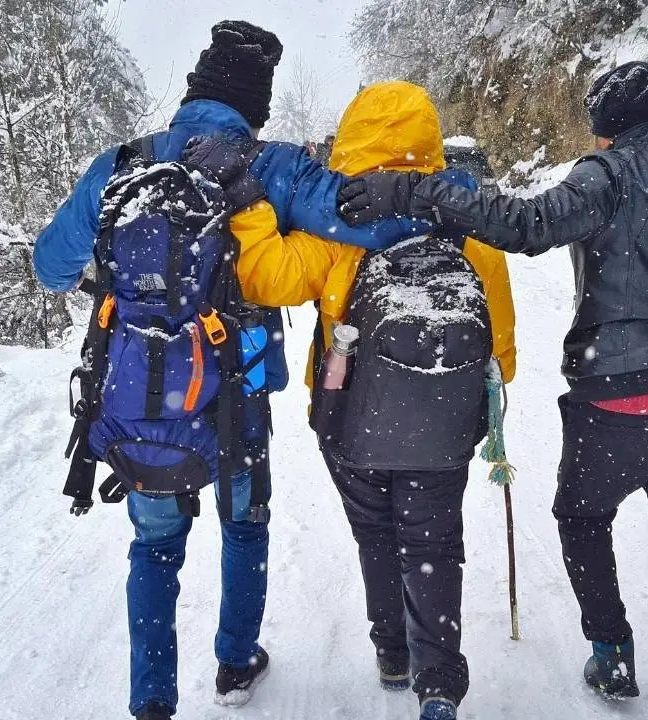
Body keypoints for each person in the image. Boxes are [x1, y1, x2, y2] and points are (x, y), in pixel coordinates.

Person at [337, 62, 648, 717]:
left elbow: (525, 226)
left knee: (584, 518)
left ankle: (612, 652)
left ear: (610, 129)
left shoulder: (607, 176)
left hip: (613, 399)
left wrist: (418, 194)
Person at [33, 21, 435, 720]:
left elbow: (50, 265)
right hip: (231, 401)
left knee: (154, 545)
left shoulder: (122, 164)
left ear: (193, 88)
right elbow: (366, 224)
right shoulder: (270, 167)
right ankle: (235, 662)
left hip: (137, 404)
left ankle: (152, 698)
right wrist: (442, 198)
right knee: (245, 526)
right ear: (257, 104)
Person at [185, 81, 516, 720]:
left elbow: (266, 275)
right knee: (432, 542)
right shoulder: (464, 220)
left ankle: (392, 651)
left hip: (351, 416)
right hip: (443, 423)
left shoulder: (343, 222)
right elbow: (498, 337)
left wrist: (249, 203)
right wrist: (483, 394)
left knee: (375, 534)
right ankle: (439, 683)